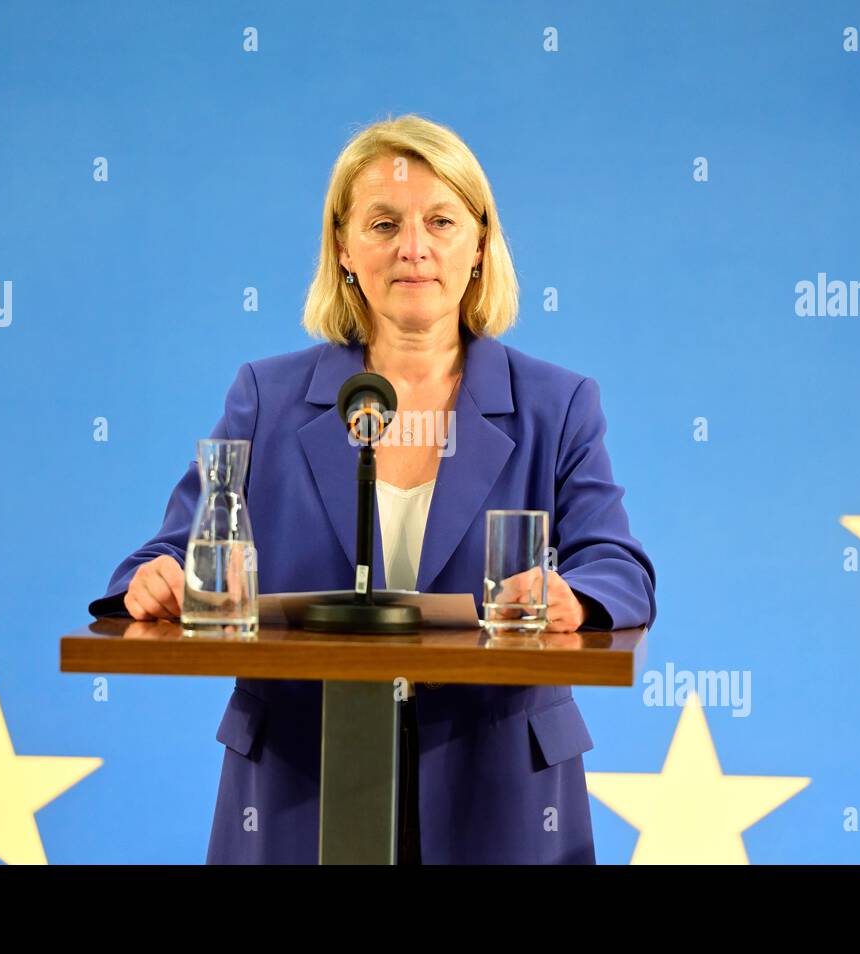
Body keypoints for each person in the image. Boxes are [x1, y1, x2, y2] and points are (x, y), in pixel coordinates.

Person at [88, 114, 657, 864]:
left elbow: (617, 567)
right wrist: (152, 581)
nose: (413, 248)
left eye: (441, 221)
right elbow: (175, 550)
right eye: (384, 222)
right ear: (344, 247)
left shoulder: (558, 403)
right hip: (300, 784)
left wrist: (573, 598)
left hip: (500, 792)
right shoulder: (268, 397)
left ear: (481, 244)